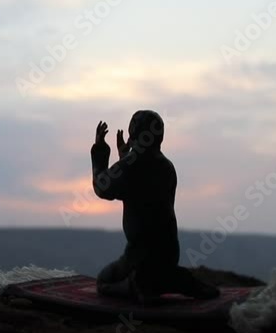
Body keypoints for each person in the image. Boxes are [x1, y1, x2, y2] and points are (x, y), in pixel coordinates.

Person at [92, 110, 220, 303]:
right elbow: (139, 187)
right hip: (169, 253)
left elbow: (103, 187)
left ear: (133, 134)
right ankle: (171, 280)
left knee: (104, 281)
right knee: (162, 272)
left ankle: (136, 285)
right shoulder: (167, 167)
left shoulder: (129, 167)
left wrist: (101, 150)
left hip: (139, 257)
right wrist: (125, 156)